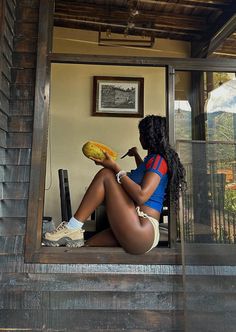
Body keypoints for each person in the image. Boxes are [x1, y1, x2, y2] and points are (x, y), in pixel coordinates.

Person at [43, 115, 186, 254]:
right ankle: (74, 234)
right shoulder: (153, 159)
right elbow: (146, 175)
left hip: (143, 228)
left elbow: (141, 196)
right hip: (137, 226)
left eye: (141, 134)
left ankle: (73, 227)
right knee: (86, 246)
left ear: (150, 136)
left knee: (106, 174)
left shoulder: (158, 160)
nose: (140, 137)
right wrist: (136, 155)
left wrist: (115, 167)